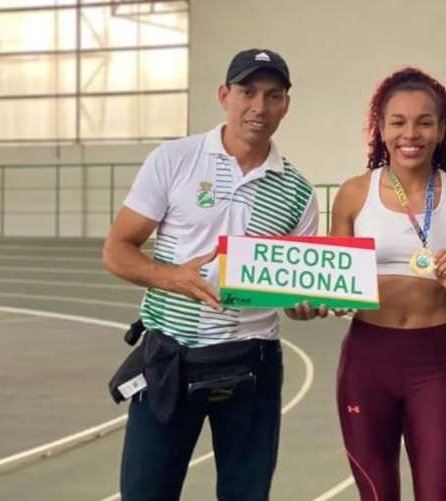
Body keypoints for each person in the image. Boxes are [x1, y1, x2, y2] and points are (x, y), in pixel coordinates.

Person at [102, 48, 320, 501]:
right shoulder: (174, 159)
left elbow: (296, 288)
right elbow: (117, 250)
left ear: (286, 105)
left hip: (253, 364)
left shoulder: (299, 192)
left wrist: (304, 303)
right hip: (170, 357)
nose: (258, 107)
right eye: (247, 92)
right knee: (144, 493)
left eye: (272, 95)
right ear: (224, 95)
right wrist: (172, 277)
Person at [330, 67, 446, 500]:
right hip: (366, 362)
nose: (410, 133)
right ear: (380, 129)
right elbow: (335, 287)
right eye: (397, 122)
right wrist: (326, 301)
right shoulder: (354, 194)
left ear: (441, 129)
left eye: (424, 121)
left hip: (431, 365)